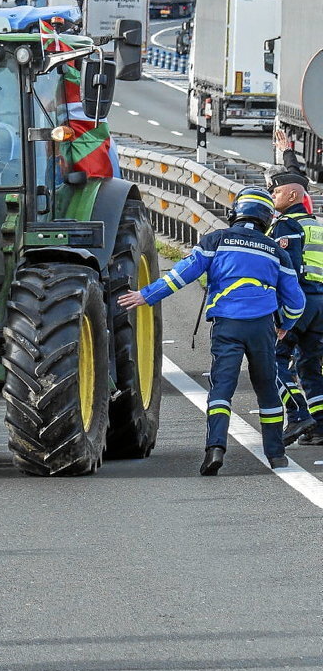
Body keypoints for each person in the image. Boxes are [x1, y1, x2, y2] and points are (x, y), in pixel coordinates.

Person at [119, 187, 306, 474]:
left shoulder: (216, 240)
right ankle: (276, 455)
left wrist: (146, 296)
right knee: (267, 389)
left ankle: (215, 450)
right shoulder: (276, 252)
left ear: (237, 212)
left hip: (227, 325)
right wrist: (284, 325)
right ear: (267, 218)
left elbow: (182, 274)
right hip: (262, 328)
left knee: (221, 389)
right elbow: (296, 301)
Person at [265, 168, 323, 447]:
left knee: (273, 357)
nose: (272, 196)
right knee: (308, 364)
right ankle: (320, 427)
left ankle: (298, 413)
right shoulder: (317, 225)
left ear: (291, 194)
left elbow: (289, 270)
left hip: (301, 301)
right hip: (321, 303)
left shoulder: (287, 225)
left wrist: (282, 315)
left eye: (275, 192)